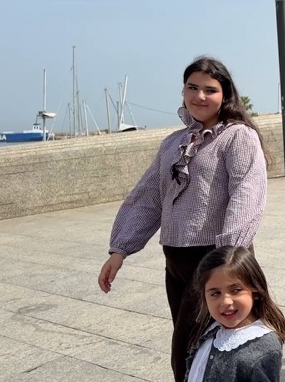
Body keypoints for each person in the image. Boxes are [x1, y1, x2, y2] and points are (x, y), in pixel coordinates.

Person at [97, 56, 268, 382]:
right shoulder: (173, 142)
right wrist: (119, 250)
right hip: (175, 262)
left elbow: (247, 194)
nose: (199, 96)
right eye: (192, 87)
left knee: (191, 352)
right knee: (196, 351)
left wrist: (228, 260)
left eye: (210, 90)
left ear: (225, 95)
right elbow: (148, 196)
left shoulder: (238, 137)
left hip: (216, 260)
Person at [185, 246, 285, 382]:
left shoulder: (263, 348)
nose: (225, 301)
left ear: (255, 290)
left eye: (236, 290)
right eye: (215, 293)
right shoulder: (212, 328)